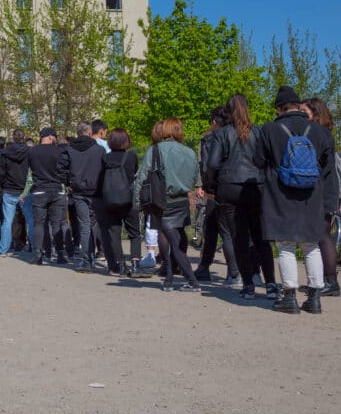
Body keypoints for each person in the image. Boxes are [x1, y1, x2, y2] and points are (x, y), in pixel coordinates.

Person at [255, 86, 335, 314]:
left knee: (285, 245)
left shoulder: (269, 130)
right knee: (311, 244)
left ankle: (289, 296)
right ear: (299, 105)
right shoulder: (319, 131)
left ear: (279, 108)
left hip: (280, 193)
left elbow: (258, 160)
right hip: (312, 194)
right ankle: (315, 296)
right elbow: (327, 166)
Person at [207, 94, 274, 299]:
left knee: (239, 238)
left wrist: (212, 186)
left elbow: (212, 163)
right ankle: (270, 283)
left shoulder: (222, 134)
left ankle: (247, 285)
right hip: (255, 186)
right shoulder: (258, 132)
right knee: (261, 237)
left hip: (229, 187)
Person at [134, 117, 201, 291]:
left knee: (170, 239)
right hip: (182, 200)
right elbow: (195, 177)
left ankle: (190, 280)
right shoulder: (189, 152)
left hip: (161, 199)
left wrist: (136, 203)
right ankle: (170, 276)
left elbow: (141, 177)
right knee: (178, 236)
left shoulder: (155, 149)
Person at [301, 97, 341, 298]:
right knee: (319, 235)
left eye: (304, 112)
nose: (301, 116)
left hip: (324, 192)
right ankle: (323, 280)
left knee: (322, 235)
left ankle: (330, 281)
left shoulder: (320, 135)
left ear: (315, 115)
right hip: (325, 190)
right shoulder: (322, 134)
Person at [195, 107, 241, 287]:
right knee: (216, 227)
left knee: (223, 230)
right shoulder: (242, 134)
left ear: (214, 122)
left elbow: (208, 165)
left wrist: (208, 187)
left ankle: (234, 272)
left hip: (218, 189)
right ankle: (206, 266)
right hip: (240, 186)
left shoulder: (210, 139)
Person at [97, 128, 145, 277]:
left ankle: (119, 265)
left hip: (110, 200)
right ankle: (136, 264)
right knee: (134, 234)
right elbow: (135, 177)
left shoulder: (105, 158)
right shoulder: (131, 156)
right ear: (126, 141)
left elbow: (100, 180)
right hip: (128, 200)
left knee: (114, 234)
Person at [27, 126, 70, 265]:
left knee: (39, 224)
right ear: (51, 137)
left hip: (39, 190)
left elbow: (28, 169)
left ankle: (38, 254)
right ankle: (60, 254)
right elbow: (64, 171)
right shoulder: (60, 151)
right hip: (57, 190)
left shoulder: (32, 151)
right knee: (56, 224)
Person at [67, 122, 105, 271]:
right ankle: (92, 255)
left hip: (77, 190)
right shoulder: (99, 150)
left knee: (84, 224)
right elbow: (104, 170)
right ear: (90, 133)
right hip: (95, 191)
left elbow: (62, 168)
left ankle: (86, 259)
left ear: (78, 133)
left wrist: (68, 182)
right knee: (93, 223)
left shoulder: (70, 149)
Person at [0, 129, 32, 257]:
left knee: (7, 221)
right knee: (30, 220)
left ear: (13, 137)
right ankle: (35, 249)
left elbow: (1, 172)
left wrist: (3, 183)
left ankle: (3, 249)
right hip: (24, 190)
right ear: (23, 137)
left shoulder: (5, 153)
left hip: (9, 189)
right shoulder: (29, 151)